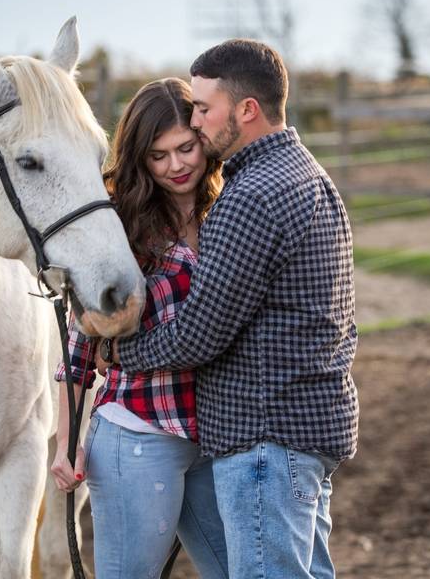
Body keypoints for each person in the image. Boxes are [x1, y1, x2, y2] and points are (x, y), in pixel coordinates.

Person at [99, 39, 359, 578]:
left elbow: (199, 334)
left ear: (246, 110)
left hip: (267, 438)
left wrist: (122, 350)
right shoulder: (308, 176)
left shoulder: (251, 196)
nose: (195, 122)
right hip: (302, 433)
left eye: (202, 107)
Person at [50, 78, 228, 578]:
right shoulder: (121, 225)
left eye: (186, 147)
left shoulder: (230, 210)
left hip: (216, 436)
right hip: (140, 433)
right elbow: (80, 346)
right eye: (158, 154)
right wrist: (68, 441)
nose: (177, 165)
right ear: (140, 158)